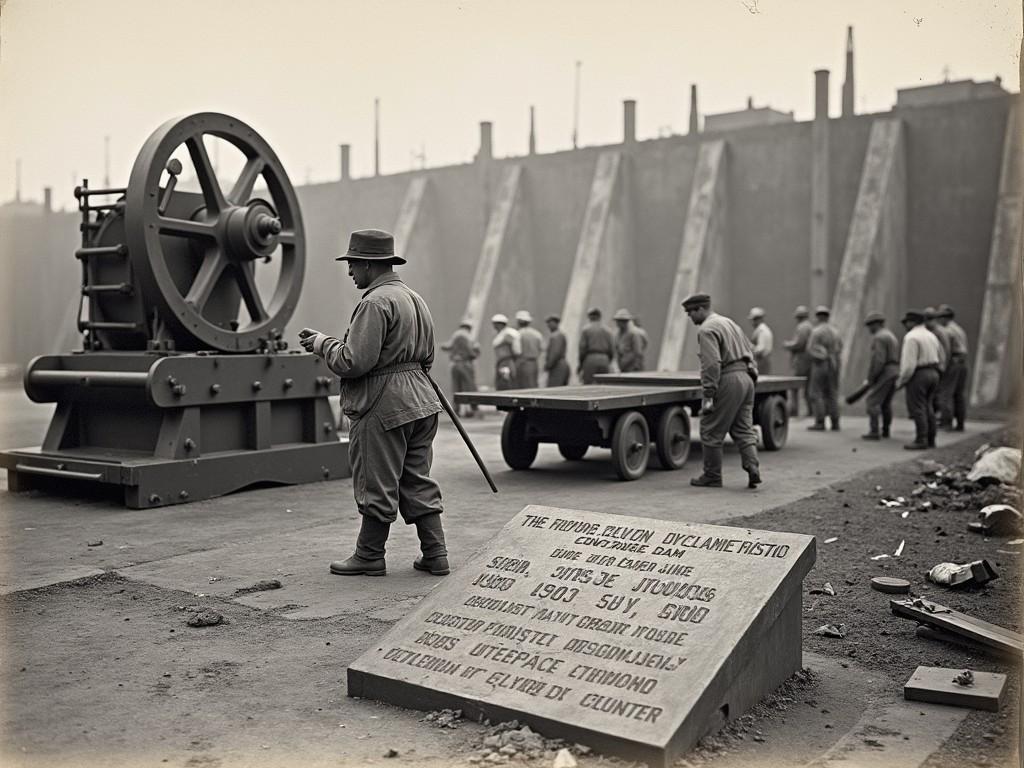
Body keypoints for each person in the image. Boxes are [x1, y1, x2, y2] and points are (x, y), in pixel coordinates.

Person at [298, 228, 449, 577]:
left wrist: (323, 343)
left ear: (368, 264)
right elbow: (427, 357)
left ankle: (369, 556)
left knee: (375, 481)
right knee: (416, 479)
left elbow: (354, 362)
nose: (350, 271)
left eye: (352, 264)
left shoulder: (375, 302)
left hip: (384, 403)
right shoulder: (415, 299)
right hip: (422, 399)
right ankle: (436, 554)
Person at [681, 292, 761, 489]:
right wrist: (752, 376)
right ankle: (753, 467)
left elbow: (711, 364)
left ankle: (712, 476)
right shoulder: (730, 323)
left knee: (710, 430)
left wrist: (708, 394)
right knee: (744, 429)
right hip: (746, 378)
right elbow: (750, 350)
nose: (689, 317)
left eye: (690, 312)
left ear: (700, 309)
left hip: (727, 379)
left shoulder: (707, 330)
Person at [896, 309, 945, 450]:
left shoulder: (911, 337)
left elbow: (909, 365)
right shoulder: (931, 336)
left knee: (918, 408)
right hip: (933, 372)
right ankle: (931, 438)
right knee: (928, 406)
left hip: (919, 374)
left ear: (912, 322)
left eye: (906, 322)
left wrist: (901, 380)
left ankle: (921, 439)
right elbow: (941, 356)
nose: (905, 325)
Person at [859, 312, 900, 440]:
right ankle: (886, 430)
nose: (869, 328)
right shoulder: (890, 335)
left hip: (885, 371)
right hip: (894, 370)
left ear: (877, 324)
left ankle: (874, 431)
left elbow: (879, 360)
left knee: (872, 401)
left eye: (870, 325)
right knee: (886, 403)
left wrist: (872, 378)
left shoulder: (879, 337)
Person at [807, 305, 843, 431]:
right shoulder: (836, 331)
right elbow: (840, 347)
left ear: (818, 317)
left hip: (820, 364)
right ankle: (835, 421)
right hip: (834, 363)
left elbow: (810, 349)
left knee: (816, 392)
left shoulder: (816, 332)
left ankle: (820, 421)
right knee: (832, 393)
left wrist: (819, 356)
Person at [936, 304, 969, 431]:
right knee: (959, 394)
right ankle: (960, 423)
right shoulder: (958, 329)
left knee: (946, 392)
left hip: (954, 362)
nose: (939, 320)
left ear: (945, 318)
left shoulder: (947, 331)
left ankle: (946, 422)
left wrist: (943, 367)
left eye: (940, 317)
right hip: (963, 362)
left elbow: (947, 351)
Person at [440, 318, 480, 418]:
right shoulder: (469, 337)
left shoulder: (455, 335)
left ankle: (457, 410)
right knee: (469, 388)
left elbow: (447, 347)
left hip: (455, 364)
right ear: (469, 328)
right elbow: (473, 352)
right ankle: (470, 410)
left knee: (456, 388)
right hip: (466, 364)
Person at [783, 305, 813, 416]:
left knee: (795, 385)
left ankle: (794, 410)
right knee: (808, 386)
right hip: (807, 359)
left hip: (801, 359)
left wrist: (788, 345)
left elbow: (800, 344)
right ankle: (811, 410)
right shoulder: (809, 326)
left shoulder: (802, 327)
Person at [578, 307, 615, 384]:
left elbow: (582, 348)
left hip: (590, 358)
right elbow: (612, 349)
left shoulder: (586, 330)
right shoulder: (607, 330)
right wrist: (608, 360)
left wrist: (581, 364)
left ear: (590, 317)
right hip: (604, 358)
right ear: (599, 317)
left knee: (588, 384)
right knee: (604, 384)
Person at [514, 310, 544, 388]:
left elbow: (517, 351)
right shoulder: (537, 334)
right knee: (533, 385)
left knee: (522, 386)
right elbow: (541, 349)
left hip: (522, 363)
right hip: (534, 363)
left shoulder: (517, 334)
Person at [490, 314, 521, 390]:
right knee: (501, 383)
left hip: (506, 362)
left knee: (506, 383)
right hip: (501, 362)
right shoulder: (501, 334)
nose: (494, 326)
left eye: (495, 324)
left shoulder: (508, 334)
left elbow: (516, 350)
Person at [613, 308, 645, 372]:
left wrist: (628, 362)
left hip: (633, 366)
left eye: (619, 321)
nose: (617, 323)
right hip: (622, 366)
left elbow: (638, 352)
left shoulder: (633, 333)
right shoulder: (617, 334)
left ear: (625, 322)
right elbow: (616, 349)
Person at [544, 314, 570, 386]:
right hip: (559, 364)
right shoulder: (559, 335)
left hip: (557, 366)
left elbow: (555, 353)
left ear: (555, 323)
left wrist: (548, 365)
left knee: (554, 388)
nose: (548, 325)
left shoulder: (556, 336)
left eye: (550, 323)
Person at [747, 307, 774, 375]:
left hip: (761, 362)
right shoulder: (763, 329)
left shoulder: (762, 331)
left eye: (754, 320)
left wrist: (749, 346)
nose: (752, 322)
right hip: (762, 361)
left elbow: (761, 349)